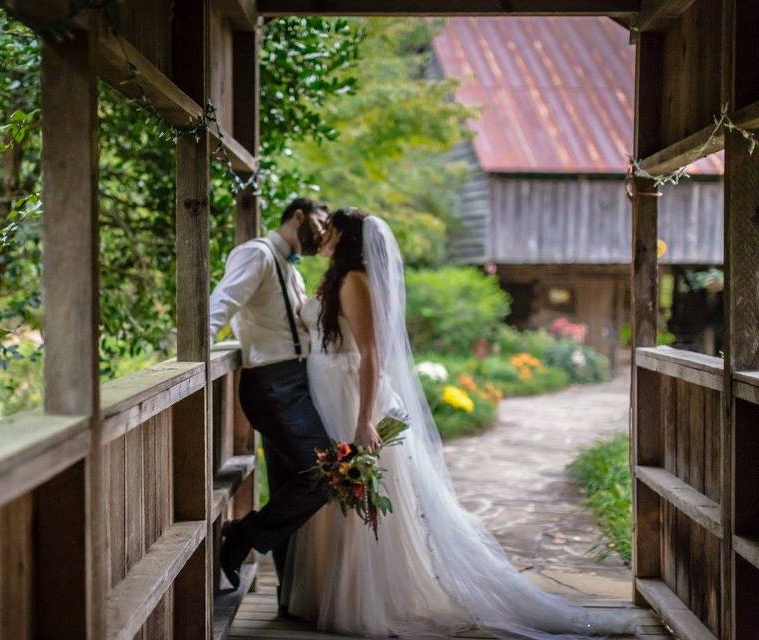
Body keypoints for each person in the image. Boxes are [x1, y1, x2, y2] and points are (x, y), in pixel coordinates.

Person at [285, 208, 639, 639]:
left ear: (347, 238)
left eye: (332, 229)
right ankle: (325, 593)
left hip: (348, 395)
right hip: (326, 390)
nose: (324, 234)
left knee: (355, 496)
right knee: (332, 495)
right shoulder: (332, 279)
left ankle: (363, 599)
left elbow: (371, 353)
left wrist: (363, 420)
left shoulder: (355, 281)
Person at [208, 197, 330, 612]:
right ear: (298, 215)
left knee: (288, 483)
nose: (323, 229)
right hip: (273, 383)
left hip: (293, 382)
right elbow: (222, 301)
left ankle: (288, 596)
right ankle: (243, 537)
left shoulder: (290, 267)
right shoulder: (257, 254)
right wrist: (194, 351)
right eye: (320, 219)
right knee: (323, 472)